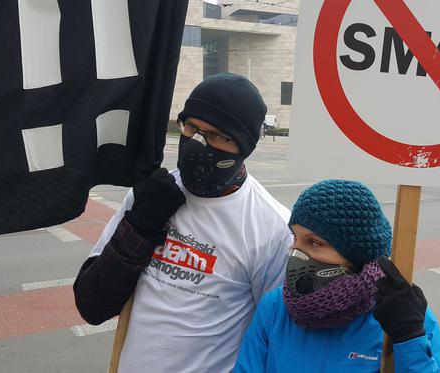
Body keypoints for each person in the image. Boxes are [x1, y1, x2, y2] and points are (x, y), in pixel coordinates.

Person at [73, 73, 293, 373]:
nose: (198, 144)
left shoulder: (271, 227)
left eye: (217, 136)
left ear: (244, 147)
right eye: (191, 127)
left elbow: (273, 339)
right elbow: (92, 303)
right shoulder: (150, 195)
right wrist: (139, 227)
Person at [234, 180, 440, 373]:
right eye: (295, 238)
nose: (295, 253)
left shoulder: (403, 316)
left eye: (314, 242)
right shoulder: (275, 307)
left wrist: (410, 339)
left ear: (355, 254)